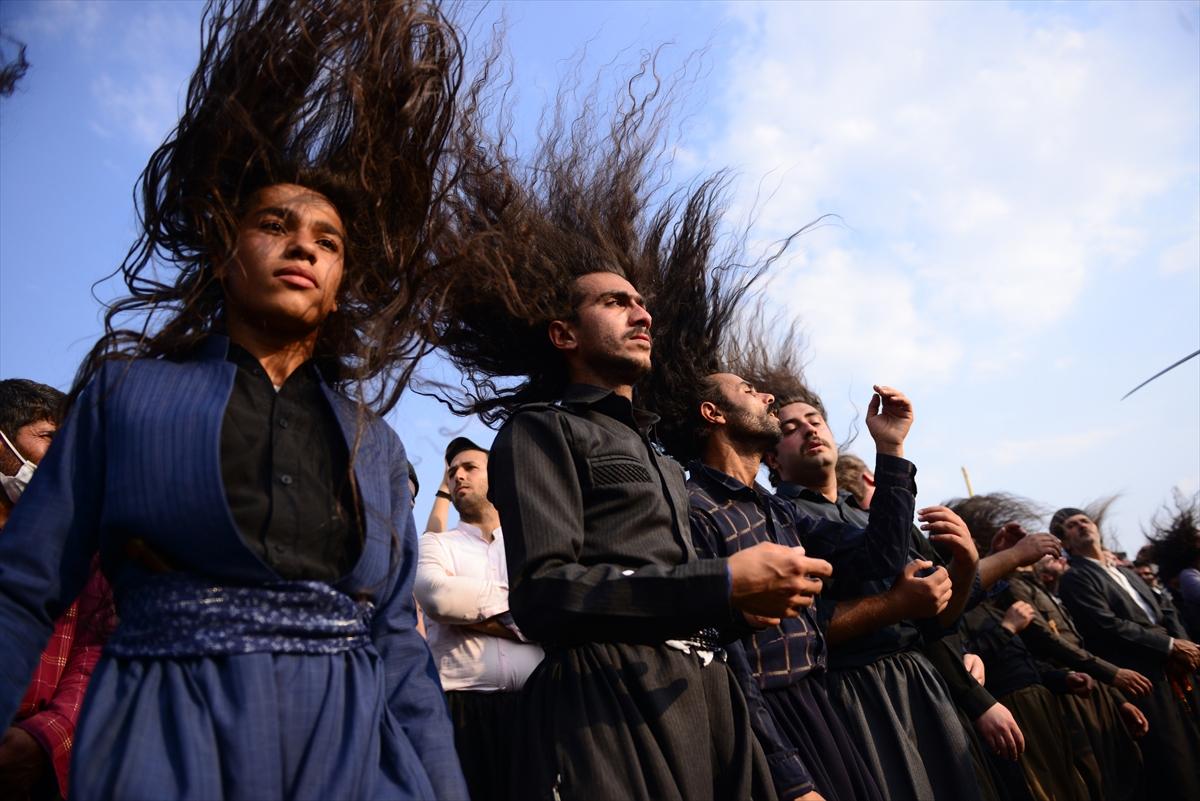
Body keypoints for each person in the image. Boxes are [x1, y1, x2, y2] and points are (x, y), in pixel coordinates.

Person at [0, 2, 479, 798]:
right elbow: (25, 585)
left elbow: (398, 645)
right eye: (276, 225)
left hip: (351, 740)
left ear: (338, 288)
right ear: (225, 256)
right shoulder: (127, 394)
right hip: (165, 721)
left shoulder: (377, 443)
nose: (304, 246)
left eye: (328, 242)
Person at [434, 60, 831, 800]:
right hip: (607, 711)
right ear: (563, 333)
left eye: (642, 302)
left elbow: (689, 598)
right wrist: (719, 579)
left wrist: (741, 607)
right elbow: (545, 591)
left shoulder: (662, 460)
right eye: (616, 302)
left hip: (711, 704)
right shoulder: (538, 433)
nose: (642, 313)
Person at [743, 364, 987, 801]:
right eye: (791, 429)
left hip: (924, 682)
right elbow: (796, 633)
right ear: (772, 459)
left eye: (815, 421)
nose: (809, 431)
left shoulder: (872, 518)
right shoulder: (778, 521)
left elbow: (935, 620)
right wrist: (896, 604)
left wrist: (965, 567)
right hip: (859, 695)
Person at [0, 380, 115, 801]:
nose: (62, 460)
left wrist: (43, 739)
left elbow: (94, 652)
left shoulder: (86, 549)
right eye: (48, 438)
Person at [415, 437, 543, 801]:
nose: (458, 476)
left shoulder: (531, 545)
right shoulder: (435, 544)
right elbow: (438, 597)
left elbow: (556, 602)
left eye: (470, 468)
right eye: (452, 472)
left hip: (534, 709)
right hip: (460, 712)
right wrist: (525, 612)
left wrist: (469, 613)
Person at [1056, 506, 1200, 800]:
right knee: (1175, 764)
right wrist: (1169, 647)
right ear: (1066, 543)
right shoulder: (1076, 579)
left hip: (1179, 670)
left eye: (1085, 520)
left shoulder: (1125, 573)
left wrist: (1186, 648)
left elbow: (1165, 608)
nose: (1082, 526)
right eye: (1072, 526)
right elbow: (1106, 625)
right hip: (1145, 680)